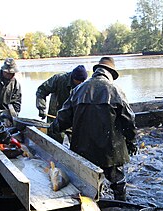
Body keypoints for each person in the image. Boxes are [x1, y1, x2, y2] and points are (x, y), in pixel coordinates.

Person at [49, 57, 136, 201]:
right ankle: (121, 206)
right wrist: (131, 142)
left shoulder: (78, 90)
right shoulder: (116, 91)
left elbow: (63, 117)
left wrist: (54, 126)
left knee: (85, 182)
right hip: (110, 151)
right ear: (110, 74)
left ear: (96, 71)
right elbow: (129, 121)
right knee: (117, 181)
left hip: (83, 149)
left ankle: (89, 207)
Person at [35, 65, 88, 143]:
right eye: (79, 81)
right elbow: (41, 91)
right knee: (54, 142)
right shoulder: (59, 79)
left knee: (76, 145)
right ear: (73, 77)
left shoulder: (84, 85)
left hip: (73, 120)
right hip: (55, 118)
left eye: (83, 81)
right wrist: (41, 108)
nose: (81, 83)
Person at [0, 58, 22, 125]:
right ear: (4, 71)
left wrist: (13, 116)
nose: (12, 75)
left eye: (13, 73)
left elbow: (17, 104)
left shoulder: (16, 84)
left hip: (7, 115)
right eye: (9, 73)